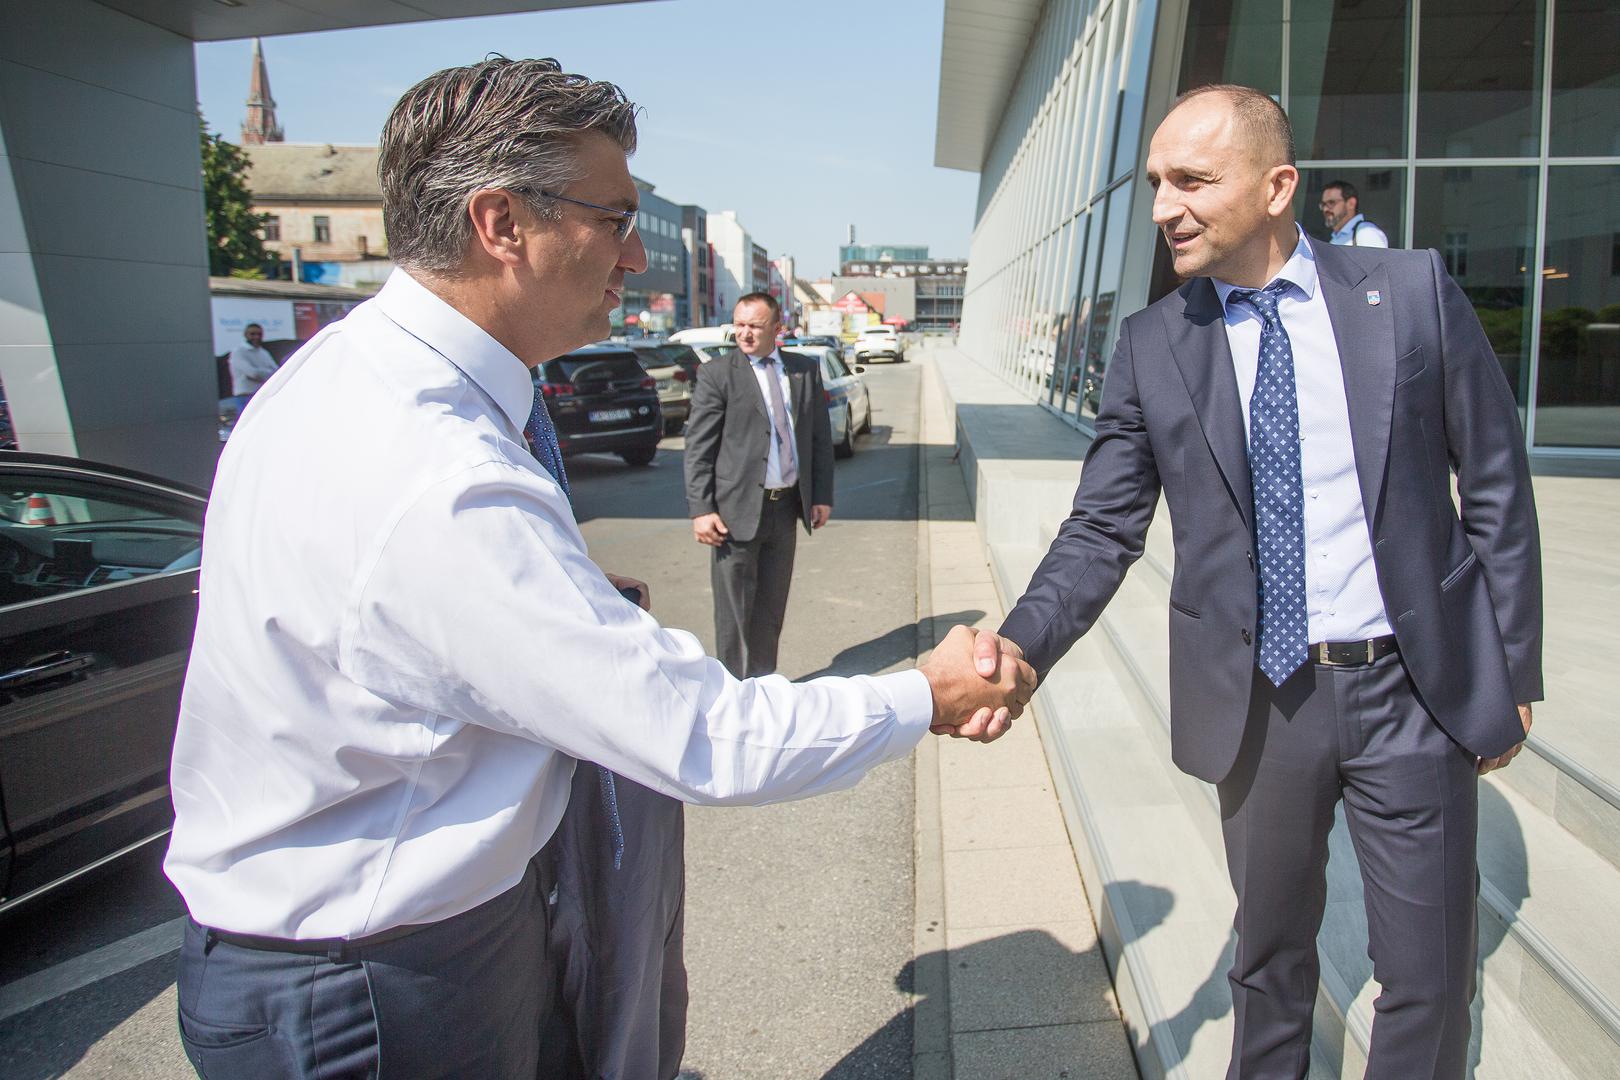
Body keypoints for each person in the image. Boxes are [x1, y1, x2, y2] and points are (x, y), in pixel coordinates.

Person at [163, 57, 1032, 1080]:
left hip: (370, 953)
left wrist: (555, 616)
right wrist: (921, 694)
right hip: (375, 985)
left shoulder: (348, 375)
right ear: (501, 224)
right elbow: (703, 737)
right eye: (612, 218)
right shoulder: (442, 481)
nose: (634, 260)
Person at [972, 84, 1540, 1079]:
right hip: (1262, 705)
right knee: (1270, 965)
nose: (1164, 207)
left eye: (1192, 180)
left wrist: (1513, 668)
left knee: (1429, 980)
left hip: (1415, 692)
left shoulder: (1407, 292)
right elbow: (1103, 526)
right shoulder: (1153, 344)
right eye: (1156, 184)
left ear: (1278, 186)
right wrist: (1021, 645)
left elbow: (1493, 479)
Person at [684, 292, 834, 678]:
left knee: (771, 607)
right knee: (733, 613)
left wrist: (820, 496)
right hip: (733, 513)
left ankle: (765, 684)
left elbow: (818, 438)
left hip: (786, 508)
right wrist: (702, 509)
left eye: (755, 326)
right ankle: (733, 689)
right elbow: (699, 447)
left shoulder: (803, 370)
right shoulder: (717, 374)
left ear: (777, 329)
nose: (745, 334)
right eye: (740, 325)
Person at [1320, 179, 1389, 247]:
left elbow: (1378, 258)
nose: (1325, 209)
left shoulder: (1366, 232)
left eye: (1331, 203)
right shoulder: (1336, 238)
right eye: (1323, 204)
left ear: (1351, 203)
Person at [226, 322, 278, 397]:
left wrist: (261, 372)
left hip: (262, 394)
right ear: (245, 335)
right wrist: (268, 373)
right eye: (252, 334)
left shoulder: (263, 352)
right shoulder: (238, 352)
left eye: (259, 334)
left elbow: (276, 372)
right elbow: (253, 373)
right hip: (245, 395)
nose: (256, 337)